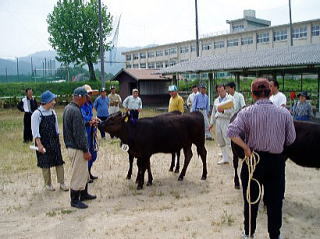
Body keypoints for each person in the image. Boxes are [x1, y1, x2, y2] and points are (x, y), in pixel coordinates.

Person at [227, 78, 296, 239]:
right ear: (270, 92)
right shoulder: (284, 113)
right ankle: (274, 235)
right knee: (275, 202)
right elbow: (291, 139)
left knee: (251, 201)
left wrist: (245, 148)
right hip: (276, 162)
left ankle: (249, 233)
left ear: (253, 94)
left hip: (253, 161)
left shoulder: (246, 112)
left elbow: (231, 132)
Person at [63, 87, 96, 209]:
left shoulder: (68, 108)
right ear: (80, 97)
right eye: (86, 97)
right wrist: (86, 150)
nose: (86, 100)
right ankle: (75, 200)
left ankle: (84, 193)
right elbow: (79, 134)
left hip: (72, 146)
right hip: (77, 148)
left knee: (84, 173)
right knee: (78, 174)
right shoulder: (76, 111)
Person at [31, 90, 68, 192]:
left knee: (59, 162)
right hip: (43, 142)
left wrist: (58, 140)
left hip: (54, 141)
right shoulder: (36, 114)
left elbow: (56, 128)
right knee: (45, 163)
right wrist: (39, 145)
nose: (54, 102)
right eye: (53, 100)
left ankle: (62, 183)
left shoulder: (53, 112)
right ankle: (48, 184)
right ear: (47, 101)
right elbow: (35, 132)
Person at [209, 84, 234, 164]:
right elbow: (213, 112)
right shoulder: (216, 100)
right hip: (218, 120)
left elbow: (232, 111)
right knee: (220, 139)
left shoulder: (230, 99)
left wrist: (223, 111)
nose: (220, 92)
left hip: (226, 120)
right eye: (219, 91)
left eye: (222, 90)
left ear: (225, 90)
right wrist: (211, 123)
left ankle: (231, 155)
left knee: (227, 138)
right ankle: (225, 158)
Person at [81, 85, 100, 183]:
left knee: (93, 153)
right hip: (85, 132)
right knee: (86, 153)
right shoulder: (81, 106)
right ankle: (85, 175)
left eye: (91, 93)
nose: (90, 95)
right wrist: (90, 121)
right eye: (89, 93)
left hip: (91, 130)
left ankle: (89, 172)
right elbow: (83, 119)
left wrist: (94, 120)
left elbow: (91, 116)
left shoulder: (90, 104)